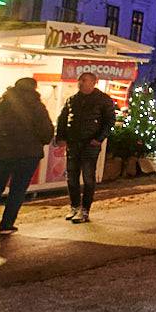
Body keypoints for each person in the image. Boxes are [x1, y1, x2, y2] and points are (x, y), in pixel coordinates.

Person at [0, 77, 55, 235]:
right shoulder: (37, 107)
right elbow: (46, 132)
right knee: (18, 189)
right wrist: (37, 141)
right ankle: (6, 225)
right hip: (27, 155)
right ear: (34, 89)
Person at [55, 72, 117, 224]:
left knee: (88, 177)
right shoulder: (73, 100)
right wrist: (61, 137)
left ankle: (85, 210)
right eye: (80, 80)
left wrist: (99, 139)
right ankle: (75, 206)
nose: (80, 83)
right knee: (72, 177)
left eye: (84, 80)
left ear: (93, 82)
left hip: (90, 144)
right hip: (74, 143)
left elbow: (109, 121)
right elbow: (62, 119)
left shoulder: (103, 100)